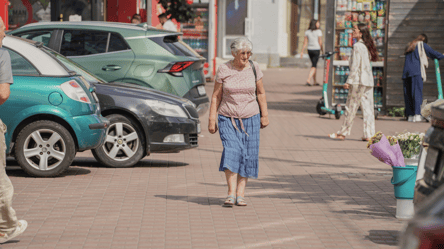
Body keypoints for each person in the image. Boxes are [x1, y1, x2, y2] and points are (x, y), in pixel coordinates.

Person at [208, 37, 269, 207]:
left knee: (248, 156)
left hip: (251, 118)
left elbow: (261, 93)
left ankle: (240, 194)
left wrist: (264, 115)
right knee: (231, 151)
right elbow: (216, 96)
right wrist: (212, 119)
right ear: (234, 53)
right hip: (228, 118)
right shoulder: (224, 69)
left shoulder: (255, 68)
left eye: (249, 53)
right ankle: (230, 193)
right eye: (243, 53)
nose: (246, 56)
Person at [0, 17, 28, 244]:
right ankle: (6, 227)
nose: (5, 35)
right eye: (2, 30)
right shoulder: (2, 55)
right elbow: (3, 94)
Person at [328, 23, 377, 141]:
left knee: (351, 107)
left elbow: (355, 66)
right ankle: (369, 134)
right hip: (368, 81)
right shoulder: (366, 47)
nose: (353, 31)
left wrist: (348, 81)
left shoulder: (357, 46)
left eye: (355, 30)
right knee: (368, 109)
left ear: (360, 33)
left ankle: (342, 133)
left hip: (358, 81)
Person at [403, 34, 444, 122]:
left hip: (406, 72)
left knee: (408, 94)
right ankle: (417, 115)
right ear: (424, 40)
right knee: (417, 93)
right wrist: (442, 56)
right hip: (416, 71)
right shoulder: (421, 44)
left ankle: (410, 115)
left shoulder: (410, 45)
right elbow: (433, 53)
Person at [300, 19, 323, 86]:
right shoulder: (319, 31)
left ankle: (315, 81)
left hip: (309, 50)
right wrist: (322, 50)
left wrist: (302, 51)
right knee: (314, 65)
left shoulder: (307, 32)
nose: (319, 24)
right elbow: (320, 42)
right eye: (318, 23)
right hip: (316, 49)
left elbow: (305, 43)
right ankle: (308, 80)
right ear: (315, 24)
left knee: (314, 64)